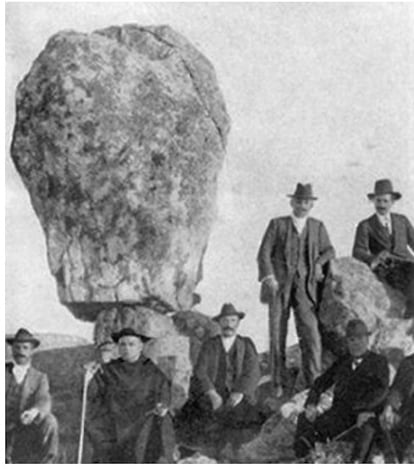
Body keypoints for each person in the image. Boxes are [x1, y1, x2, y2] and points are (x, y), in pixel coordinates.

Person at [257, 183, 335, 397]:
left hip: (305, 286)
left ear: (311, 205)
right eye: (299, 201)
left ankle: (314, 382)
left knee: (310, 332)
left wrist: (319, 263)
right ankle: (277, 382)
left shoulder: (317, 227)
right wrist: (269, 276)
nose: (302, 205)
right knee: (276, 333)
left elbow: (330, 250)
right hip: (279, 286)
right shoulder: (277, 224)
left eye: (306, 202)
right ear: (292, 202)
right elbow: (264, 253)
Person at [294, 319, 389, 462]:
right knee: (304, 421)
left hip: (366, 415)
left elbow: (382, 391)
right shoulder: (343, 362)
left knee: (364, 438)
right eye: (352, 339)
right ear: (347, 342)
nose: (356, 343)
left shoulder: (379, 362)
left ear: (367, 339)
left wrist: (365, 409)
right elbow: (320, 383)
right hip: (339, 415)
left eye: (360, 338)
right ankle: (303, 457)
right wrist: (311, 403)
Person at [85, 327, 176, 463]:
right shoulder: (109, 369)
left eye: (131, 344)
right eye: (122, 344)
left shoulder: (151, 369)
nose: (126, 348)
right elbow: (93, 394)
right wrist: (89, 376)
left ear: (140, 347)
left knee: (162, 422)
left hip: (142, 418)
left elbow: (163, 392)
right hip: (114, 419)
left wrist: (162, 405)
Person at [181, 303, 263, 447]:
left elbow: (253, 370)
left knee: (245, 424)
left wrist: (239, 392)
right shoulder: (209, 344)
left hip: (238, 395)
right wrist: (212, 393)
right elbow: (200, 370)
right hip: (213, 394)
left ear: (238, 323)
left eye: (232, 320)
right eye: (225, 321)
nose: (228, 325)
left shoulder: (246, 344)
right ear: (219, 323)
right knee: (197, 421)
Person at [352, 179, 414, 318]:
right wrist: (374, 258)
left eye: (385, 201)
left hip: (408, 263)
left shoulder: (402, 220)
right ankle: (411, 307)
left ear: (392, 202)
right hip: (386, 267)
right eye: (378, 201)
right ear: (373, 201)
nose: (381, 205)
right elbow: (357, 251)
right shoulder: (366, 225)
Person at [6, 328, 59, 463]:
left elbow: (44, 398)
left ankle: (47, 463)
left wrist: (34, 412)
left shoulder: (40, 377)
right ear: (12, 349)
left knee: (50, 421)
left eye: (25, 347)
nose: (21, 352)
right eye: (17, 347)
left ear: (32, 351)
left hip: (25, 427)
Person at [380, 353, 414, 462]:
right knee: (385, 422)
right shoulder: (408, 363)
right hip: (407, 417)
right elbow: (397, 389)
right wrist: (389, 407)